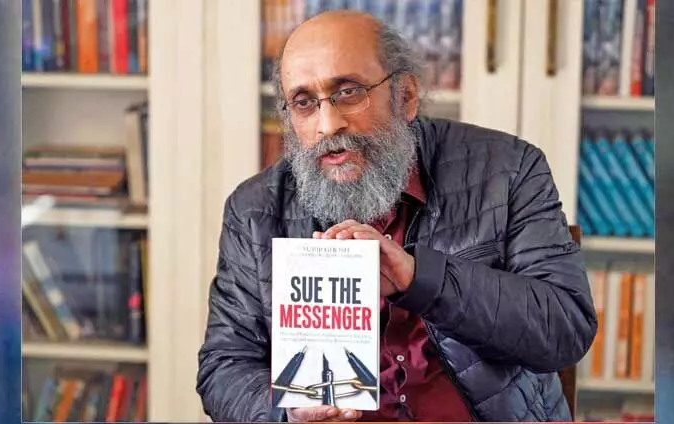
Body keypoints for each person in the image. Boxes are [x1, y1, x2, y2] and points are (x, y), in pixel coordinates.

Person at [197, 10, 597, 423]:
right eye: (304, 103)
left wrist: (418, 277)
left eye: (348, 92)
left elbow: (565, 329)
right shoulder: (254, 210)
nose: (327, 125)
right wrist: (287, 413)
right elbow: (224, 366)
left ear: (405, 96)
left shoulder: (509, 169)